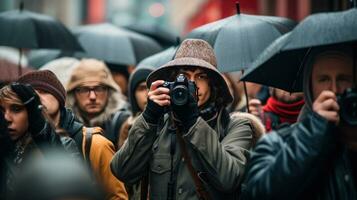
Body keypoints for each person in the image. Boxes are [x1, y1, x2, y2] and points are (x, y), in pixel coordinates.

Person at [111, 39, 258, 199]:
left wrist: (193, 123)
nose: (193, 83)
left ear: (212, 83)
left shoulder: (235, 126)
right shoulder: (159, 125)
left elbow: (228, 180)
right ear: (173, 82)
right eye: (185, 76)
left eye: (201, 76)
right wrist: (149, 116)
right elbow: (122, 171)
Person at [241, 44, 357, 199]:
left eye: (344, 79)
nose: (334, 89)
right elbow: (259, 192)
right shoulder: (277, 143)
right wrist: (315, 132)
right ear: (309, 87)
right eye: (323, 79)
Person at [17, 70, 128, 200]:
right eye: (30, 94)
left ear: (58, 98)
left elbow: (117, 197)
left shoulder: (93, 143)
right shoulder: (16, 145)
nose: (37, 97)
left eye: (44, 91)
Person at [0, 83, 66, 198]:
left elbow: (67, 183)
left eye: (16, 109)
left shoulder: (63, 143)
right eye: (1, 110)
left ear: (31, 113)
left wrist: (42, 132)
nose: (6, 118)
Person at [66, 59, 129, 149]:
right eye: (84, 90)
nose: (92, 97)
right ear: (73, 94)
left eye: (99, 89)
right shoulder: (66, 124)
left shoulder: (123, 122)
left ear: (109, 92)